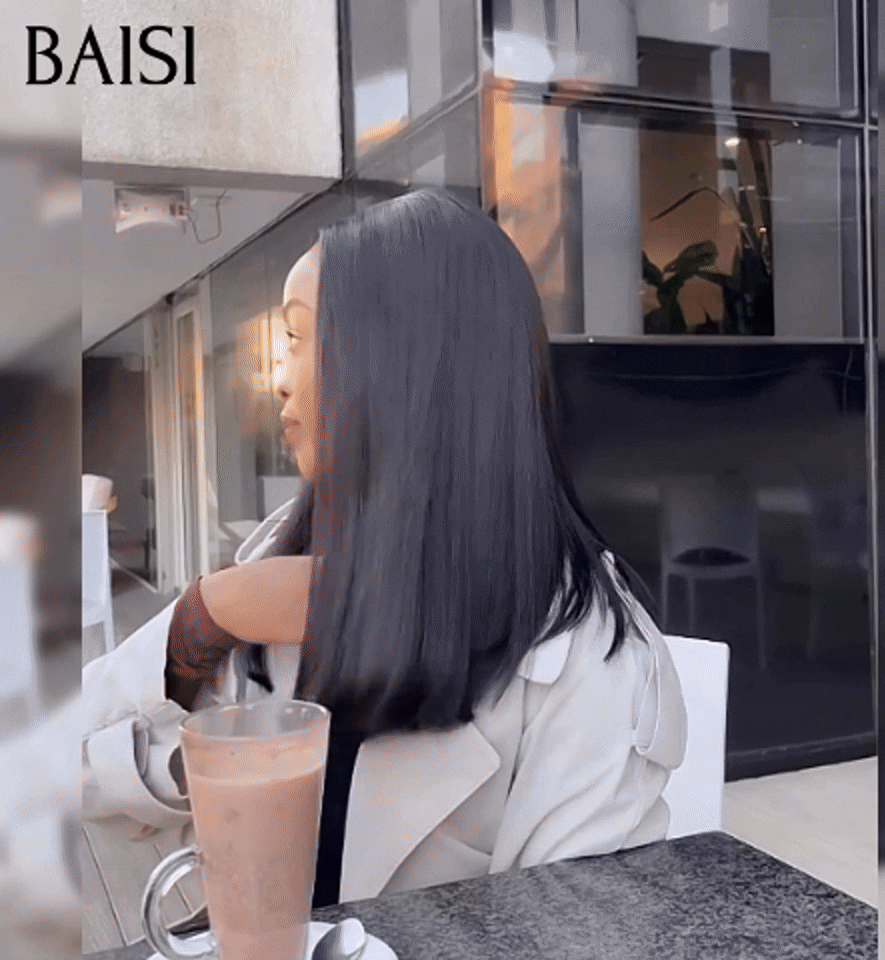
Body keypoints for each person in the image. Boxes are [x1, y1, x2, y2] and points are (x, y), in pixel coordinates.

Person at [82, 188, 687, 906]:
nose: (278, 380)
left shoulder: (590, 663)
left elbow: (576, 931)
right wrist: (204, 619)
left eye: (298, 340)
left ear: (404, 367)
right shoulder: (279, 571)